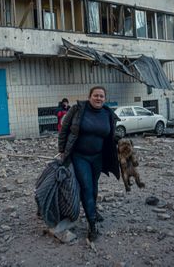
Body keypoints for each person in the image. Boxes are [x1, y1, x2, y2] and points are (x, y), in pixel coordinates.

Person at [58, 86, 120, 241]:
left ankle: (92, 210)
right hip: (80, 156)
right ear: (90, 96)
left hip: (98, 157)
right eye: (96, 95)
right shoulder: (78, 109)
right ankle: (92, 225)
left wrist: (120, 140)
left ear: (104, 98)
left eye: (101, 96)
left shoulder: (108, 113)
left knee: (94, 185)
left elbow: (110, 134)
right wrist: (62, 150)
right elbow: (64, 130)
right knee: (86, 187)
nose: (98, 98)